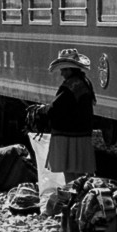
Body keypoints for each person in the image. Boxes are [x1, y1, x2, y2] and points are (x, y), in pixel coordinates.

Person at [31, 47, 97, 181]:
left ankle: (72, 196)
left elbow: (56, 109)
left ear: (70, 69)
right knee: (78, 171)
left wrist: (41, 110)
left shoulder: (70, 86)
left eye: (63, 69)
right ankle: (76, 195)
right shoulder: (84, 82)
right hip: (82, 133)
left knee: (70, 171)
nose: (61, 73)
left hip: (68, 135)